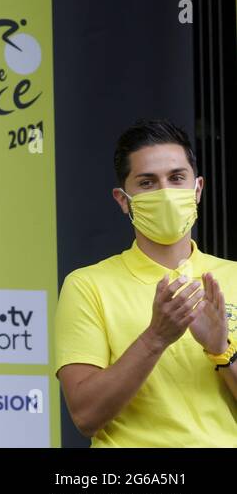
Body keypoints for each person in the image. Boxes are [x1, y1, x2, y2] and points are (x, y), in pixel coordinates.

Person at [55, 119, 237, 446]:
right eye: (148, 183)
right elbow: (85, 415)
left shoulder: (233, 277)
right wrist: (155, 337)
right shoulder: (87, 286)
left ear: (196, 189)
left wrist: (221, 351)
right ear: (123, 199)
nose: (166, 193)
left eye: (177, 178)